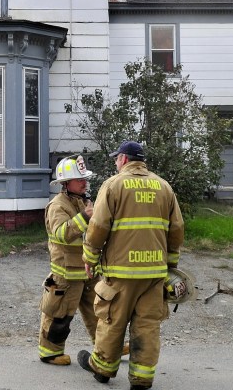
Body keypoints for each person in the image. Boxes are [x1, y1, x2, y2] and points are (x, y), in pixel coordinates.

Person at [78, 141, 184, 390]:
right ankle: (141, 378)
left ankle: (102, 370)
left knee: (111, 321)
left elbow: (99, 226)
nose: (116, 163)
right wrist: (170, 267)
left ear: (124, 160)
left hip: (121, 272)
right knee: (147, 326)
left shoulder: (113, 185)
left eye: (117, 159)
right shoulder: (164, 187)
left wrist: (89, 258)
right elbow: (176, 229)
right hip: (154, 275)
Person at [38, 155, 98, 365]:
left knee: (97, 310)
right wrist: (85, 217)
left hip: (86, 268)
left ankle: (105, 348)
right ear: (66, 183)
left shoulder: (82, 201)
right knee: (60, 313)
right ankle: (50, 352)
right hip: (66, 272)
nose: (84, 182)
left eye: (85, 179)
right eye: (79, 179)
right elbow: (61, 234)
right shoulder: (58, 205)